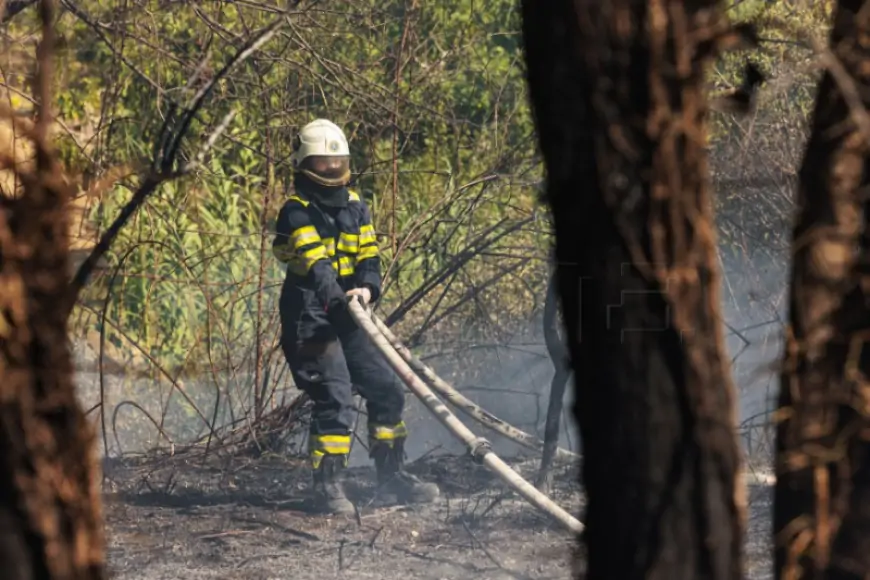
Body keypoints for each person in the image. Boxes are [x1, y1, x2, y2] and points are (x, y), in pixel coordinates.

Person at [272, 119, 440, 515]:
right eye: (323, 163)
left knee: (387, 389)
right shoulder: (295, 213)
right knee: (336, 396)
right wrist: (340, 301)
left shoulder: (355, 206)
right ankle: (327, 487)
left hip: (351, 311)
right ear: (304, 164)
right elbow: (318, 270)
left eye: (338, 163)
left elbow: (369, 255)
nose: (332, 170)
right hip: (311, 319)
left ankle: (391, 479)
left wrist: (368, 288)